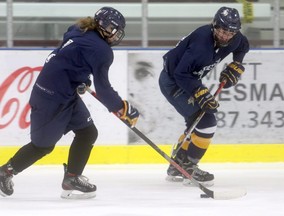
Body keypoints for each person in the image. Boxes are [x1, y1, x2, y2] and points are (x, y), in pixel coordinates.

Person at [0, 7, 139, 199]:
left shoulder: (78, 29)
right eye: (110, 28)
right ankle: (4, 173)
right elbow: (104, 89)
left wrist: (81, 78)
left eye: (116, 30)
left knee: (87, 132)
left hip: (65, 93)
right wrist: (122, 107)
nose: (114, 34)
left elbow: (70, 57)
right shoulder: (101, 50)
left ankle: (72, 178)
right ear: (100, 25)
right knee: (42, 146)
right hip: (51, 98)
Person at [158, 7, 249, 186]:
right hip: (173, 81)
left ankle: (177, 165)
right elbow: (181, 74)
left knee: (196, 123)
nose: (226, 36)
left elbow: (243, 45)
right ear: (214, 26)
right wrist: (199, 92)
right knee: (206, 122)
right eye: (223, 31)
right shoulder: (201, 44)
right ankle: (189, 167)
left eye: (231, 32)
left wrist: (236, 65)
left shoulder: (235, 38)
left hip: (187, 77)